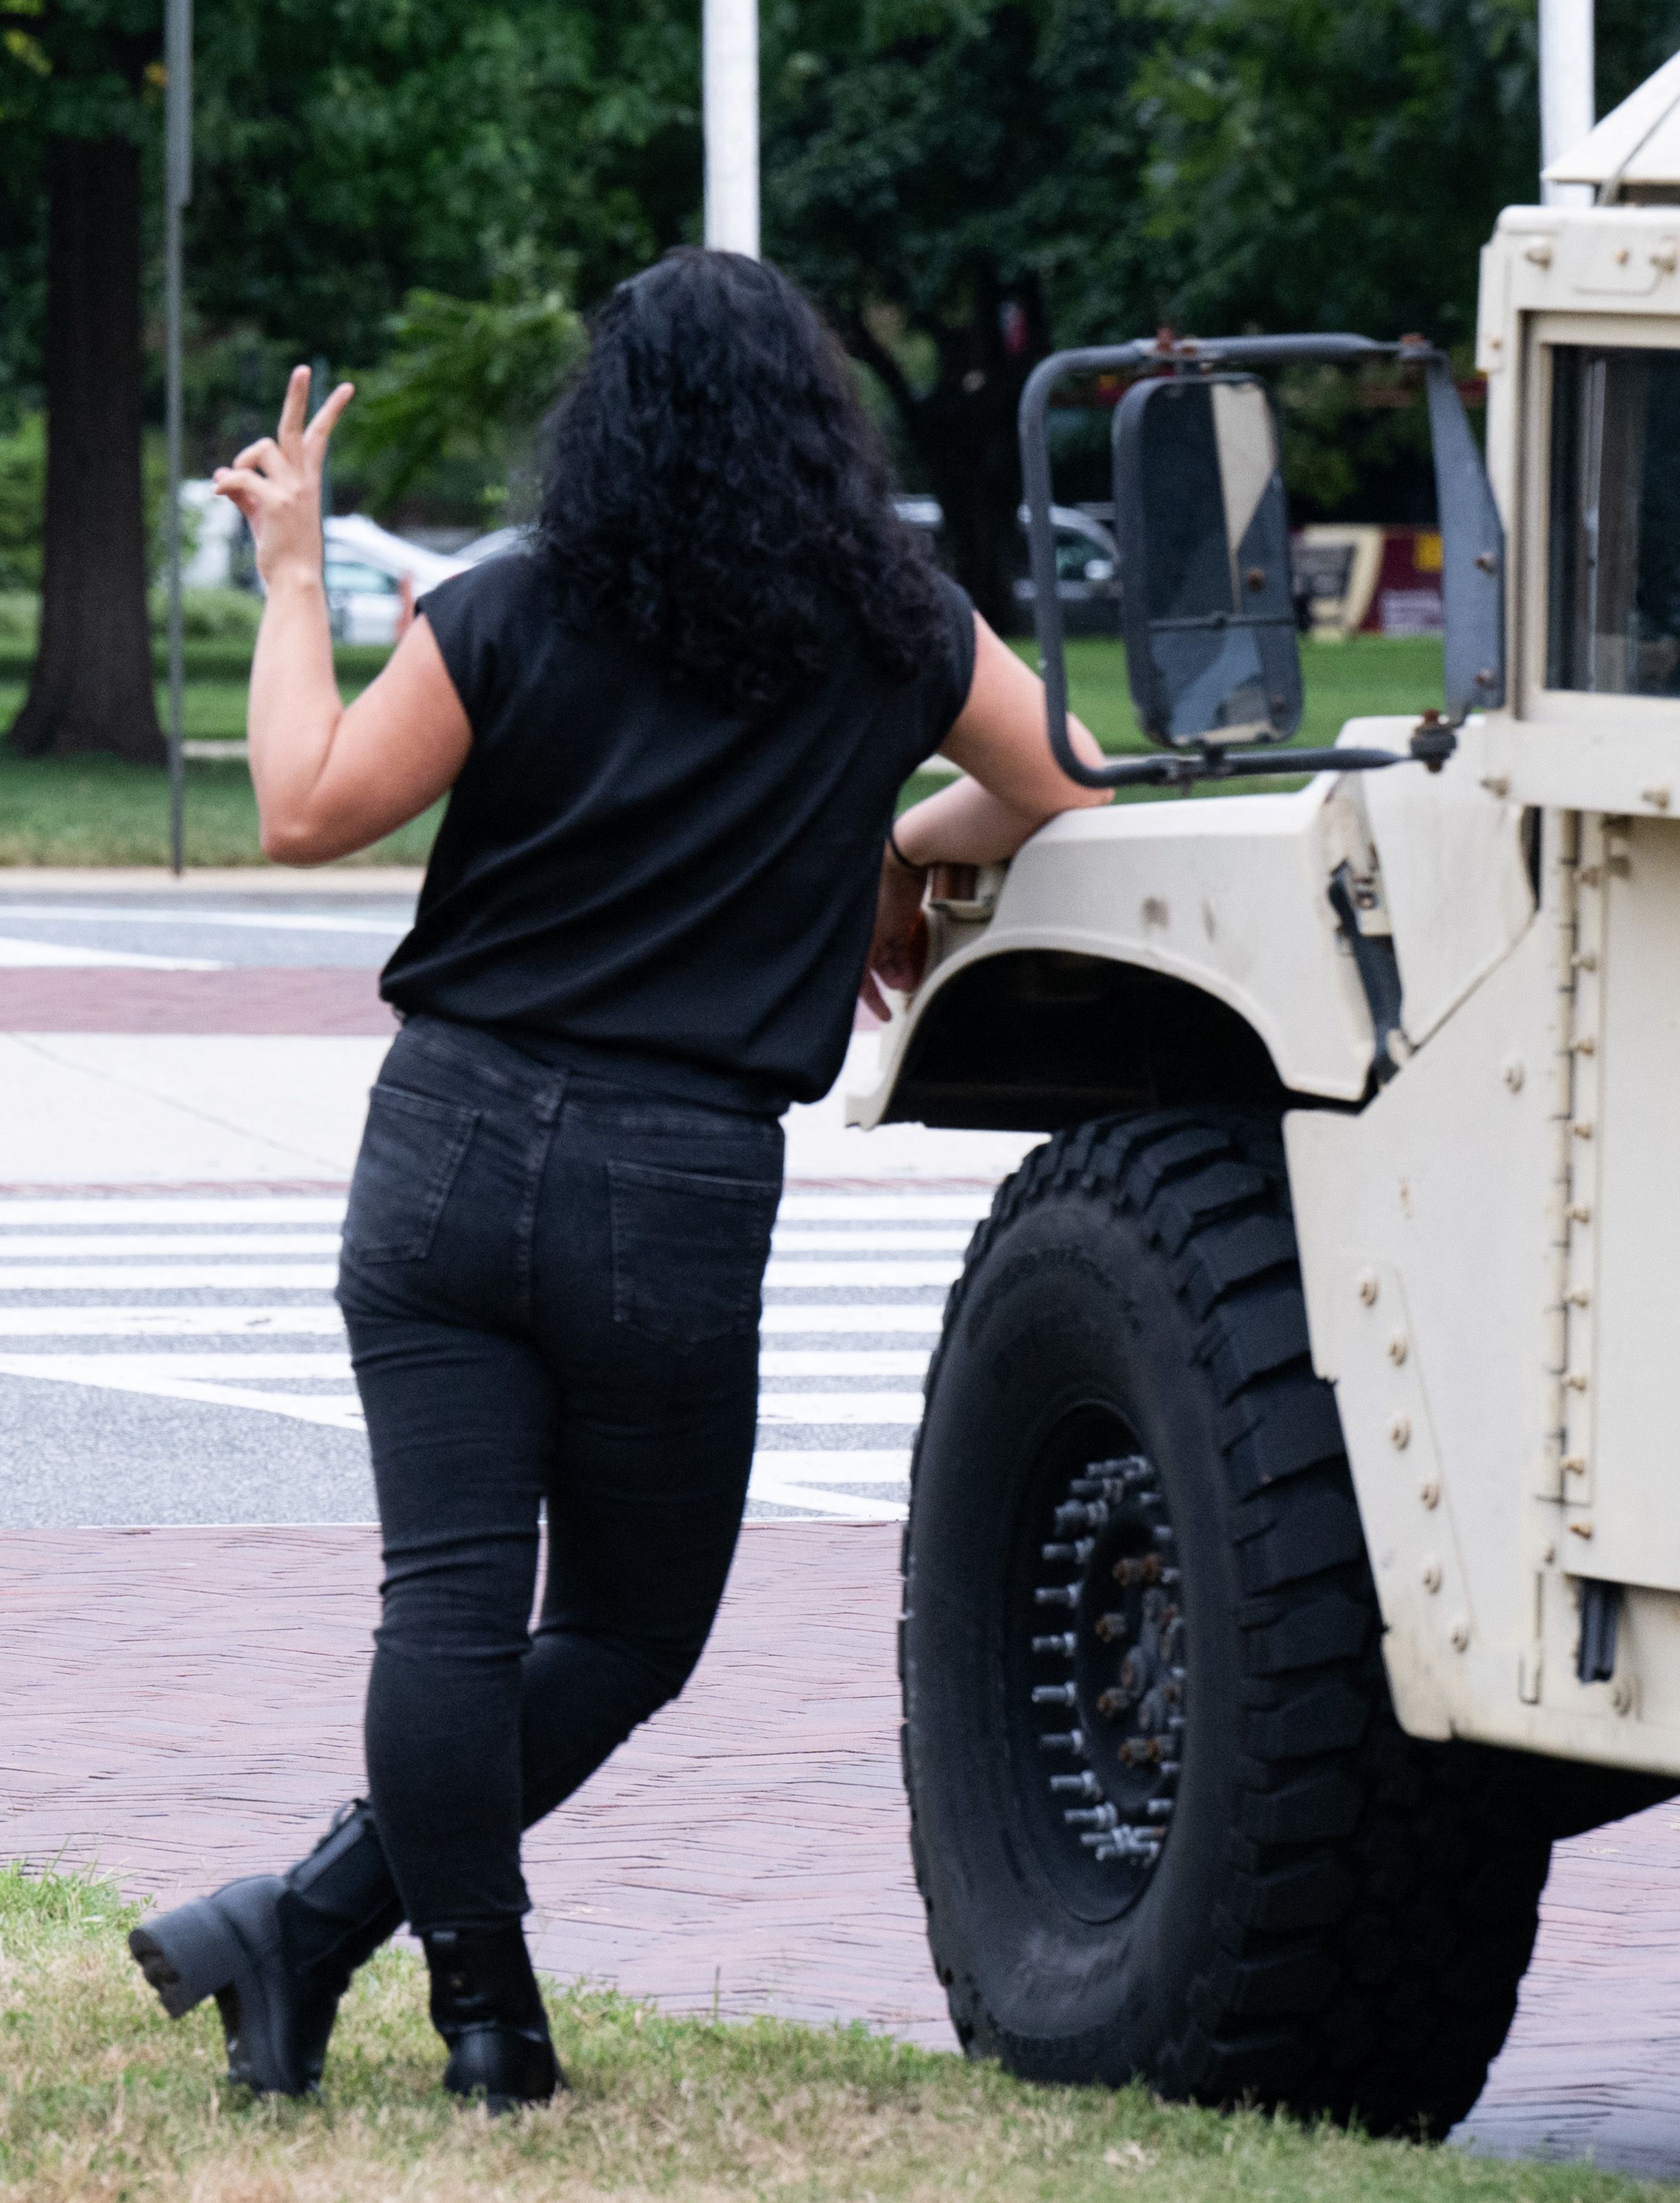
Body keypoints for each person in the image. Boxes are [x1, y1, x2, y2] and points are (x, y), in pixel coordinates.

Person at [125, 249, 1109, 2108]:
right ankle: (378, 1964)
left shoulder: (505, 609)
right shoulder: (893, 628)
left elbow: (301, 805)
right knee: (630, 1629)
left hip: (442, 1142)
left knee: (444, 1609)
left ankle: (433, 1996)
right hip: (671, 1182)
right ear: (812, 421)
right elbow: (1074, 790)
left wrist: (283, 574)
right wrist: (892, 839)